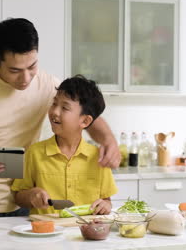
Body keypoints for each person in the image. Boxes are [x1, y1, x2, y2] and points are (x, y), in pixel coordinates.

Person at [0, 18, 120, 219]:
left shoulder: (47, 84)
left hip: (25, 204)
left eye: (32, 66)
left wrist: (108, 140)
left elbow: (85, 112)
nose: (26, 78)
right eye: (15, 70)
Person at [12, 75, 118, 215]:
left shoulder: (98, 158)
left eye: (65, 108)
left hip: (83, 232)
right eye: (54, 103)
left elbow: (106, 200)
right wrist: (31, 195)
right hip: (46, 231)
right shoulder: (35, 152)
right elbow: (18, 197)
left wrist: (106, 205)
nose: (55, 111)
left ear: (85, 121)